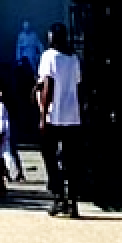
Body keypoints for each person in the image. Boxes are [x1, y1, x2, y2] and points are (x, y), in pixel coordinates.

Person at [37, 22, 83, 217]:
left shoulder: (49, 56)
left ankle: (58, 196)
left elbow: (48, 84)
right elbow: (79, 84)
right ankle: (72, 200)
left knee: (49, 155)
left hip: (54, 115)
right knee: (72, 160)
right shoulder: (73, 57)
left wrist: (43, 114)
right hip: (72, 115)